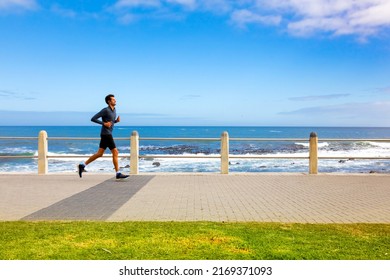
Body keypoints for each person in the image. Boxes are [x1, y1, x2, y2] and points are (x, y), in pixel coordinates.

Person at [78, 94, 129, 179]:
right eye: (113, 99)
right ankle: (118, 173)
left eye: (114, 99)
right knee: (115, 152)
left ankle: (82, 165)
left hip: (107, 134)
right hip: (106, 134)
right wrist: (104, 123)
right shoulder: (105, 110)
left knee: (99, 154)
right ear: (109, 101)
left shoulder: (114, 110)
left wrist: (116, 121)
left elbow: (110, 122)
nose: (115, 101)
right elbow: (93, 118)